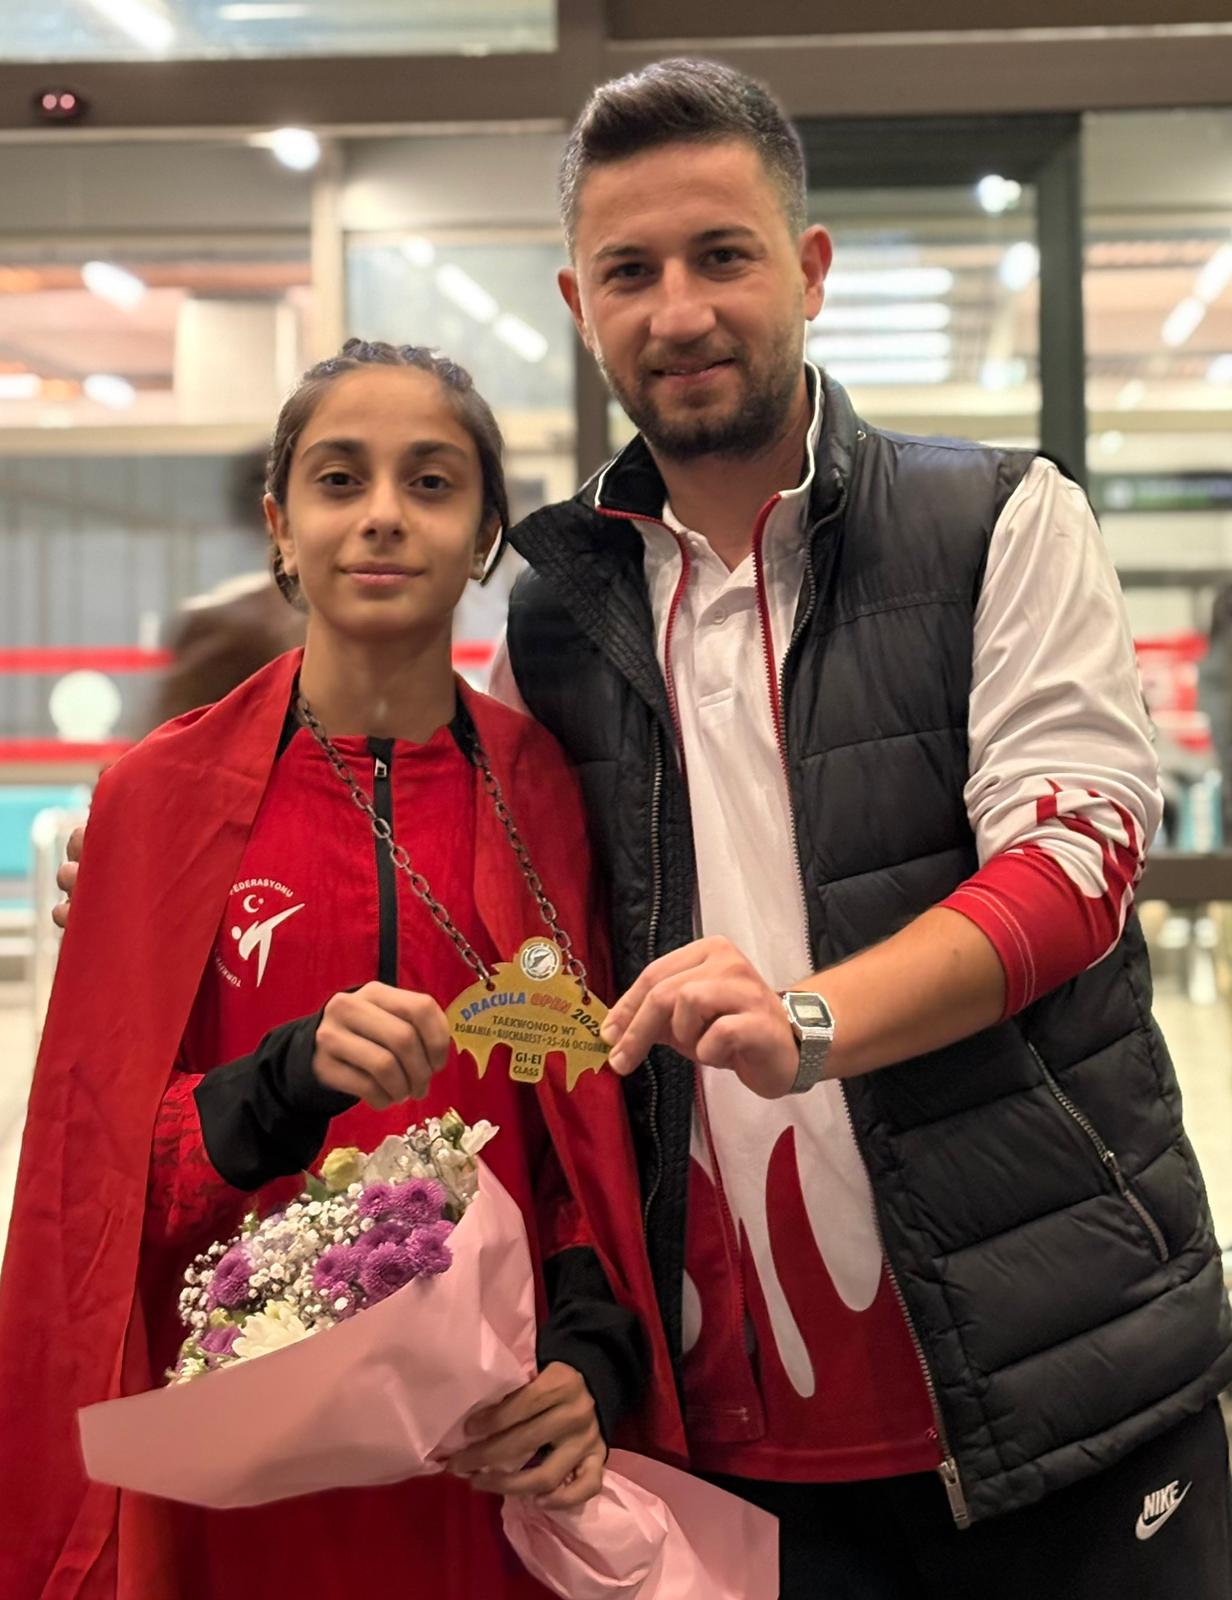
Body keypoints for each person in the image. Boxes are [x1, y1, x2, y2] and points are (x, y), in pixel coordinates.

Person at [487, 57, 1232, 1599]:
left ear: (810, 270)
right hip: (724, 1424)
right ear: (578, 304)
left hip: (1053, 1370)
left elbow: (1073, 863)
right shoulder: (553, 615)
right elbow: (488, 914)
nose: (679, 310)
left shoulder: (1001, 519)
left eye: (723, 255)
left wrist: (809, 1020)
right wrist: (172, 869)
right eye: (630, 271)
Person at [1, 339, 682, 1599]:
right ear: (279, 522)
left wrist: (587, 1360)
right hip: (237, 1479)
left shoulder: (541, 790)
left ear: (484, 535)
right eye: (337, 478)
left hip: (482, 1466)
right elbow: (90, 1188)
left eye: (430, 482)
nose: (381, 515)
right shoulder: (159, 799)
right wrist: (279, 1084)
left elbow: (580, 1139)